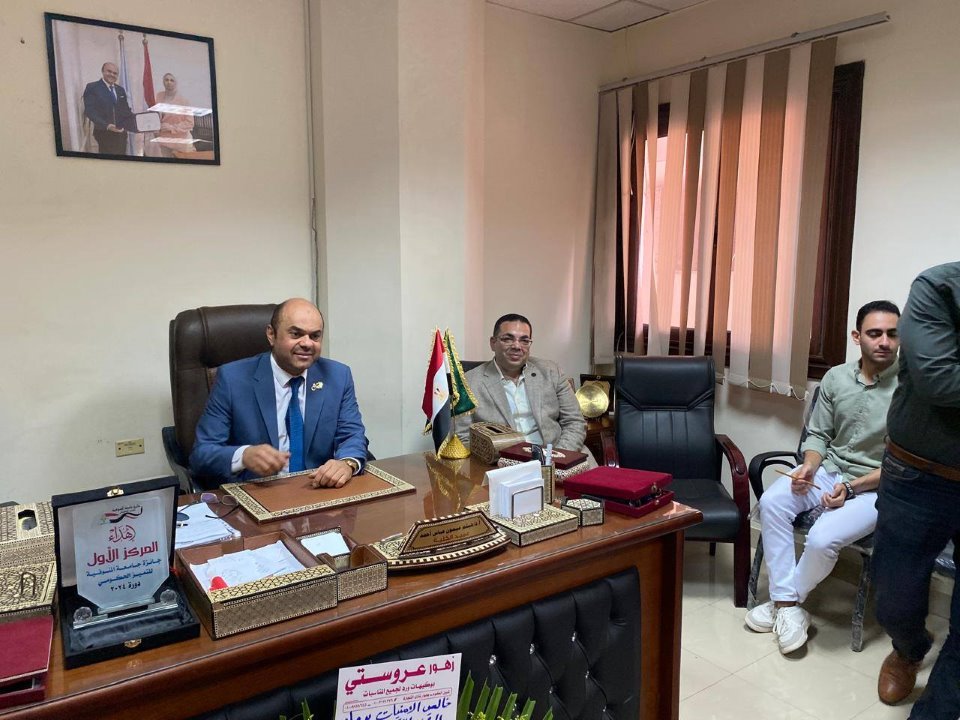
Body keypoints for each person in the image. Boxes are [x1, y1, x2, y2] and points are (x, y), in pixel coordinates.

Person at [745, 300, 901, 654]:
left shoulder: (910, 389)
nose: (884, 342)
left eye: (892, 334)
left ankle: (783, 603)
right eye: (875, 333)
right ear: (857, 337)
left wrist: (851, 488)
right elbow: (818, 435)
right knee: (772, 502)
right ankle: (789, 606)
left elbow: (900, 462)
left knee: (821, 538)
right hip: (829, 471)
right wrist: (809, 467)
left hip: (878, 489)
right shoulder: (835, 378)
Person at [872, 262, 960, 717]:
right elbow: (941, 381)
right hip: (917, 476)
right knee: (894, 598)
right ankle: (909, 648)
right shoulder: (939, 287)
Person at [190, 298, 367, 488]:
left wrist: (347, 463)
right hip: (260, 491)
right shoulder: (233, 379)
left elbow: (352, 435)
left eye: (315, 336)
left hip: (319, 489)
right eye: (296, 334)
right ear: (271, 335)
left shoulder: (338, 376)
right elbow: (202, 454)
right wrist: (243, 456)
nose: (307, 343)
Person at [454, 313, 594, 464]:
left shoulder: (551, 372)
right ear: (493, 343)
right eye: (508, 339)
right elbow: (463, 437)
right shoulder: (469, 382)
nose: (517, 346)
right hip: (504, 464)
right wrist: (506, 463)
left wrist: (554, 459)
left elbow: (574, 421)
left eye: (524, 340)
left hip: (560, 454)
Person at [82, 62, 134, 155]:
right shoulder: (92, 87)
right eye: (109, 71)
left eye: (115, 73)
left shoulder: (120, 90)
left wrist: (138, 121)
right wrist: (107, 125)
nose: (112, 75)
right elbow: (89, 111)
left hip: (121, 133)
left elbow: (126, 110)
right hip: (104, 133)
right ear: (103, 71)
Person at [153, 73, 195, 157]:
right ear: (163, 82)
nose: (169, 82)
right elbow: (156, 116)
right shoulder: (159, 96)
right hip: (164, 141)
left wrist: (172, 127)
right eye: (166, 80)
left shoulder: (184, 100)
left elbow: (190, 123)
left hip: (181, 142)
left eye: (172, 80)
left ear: (176, 82)